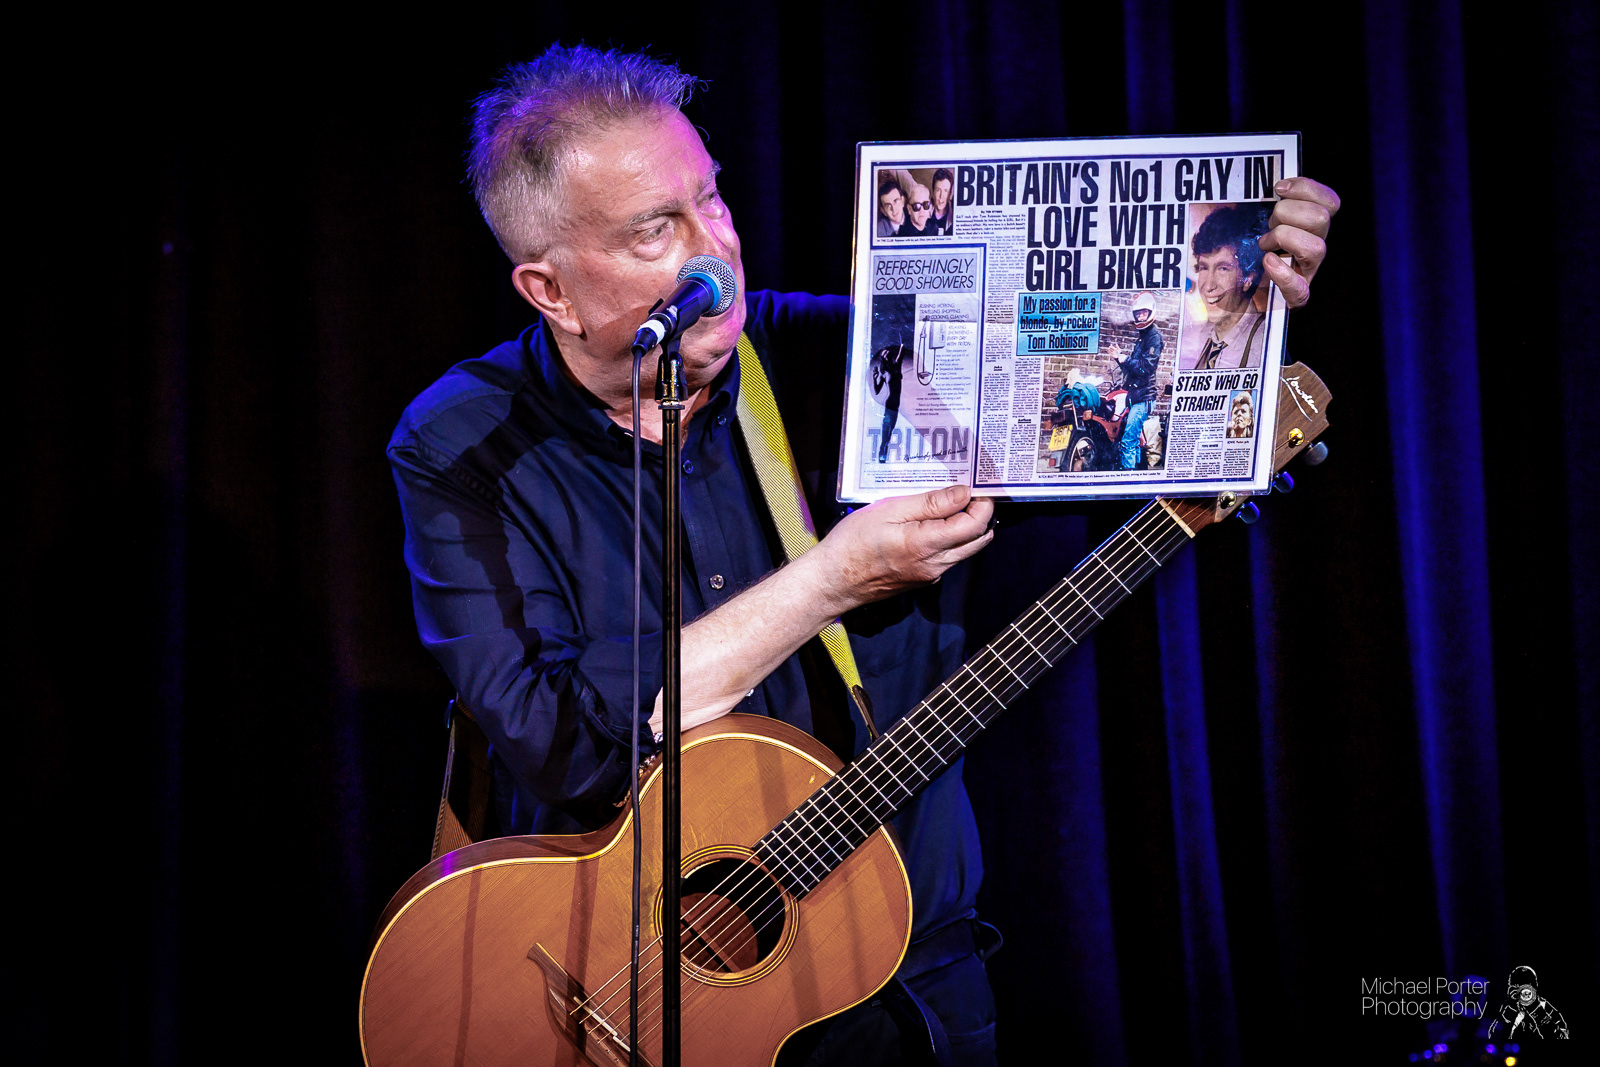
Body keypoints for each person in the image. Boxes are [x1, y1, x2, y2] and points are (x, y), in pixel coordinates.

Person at [388, 43, 1337, 1067]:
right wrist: (830, 579)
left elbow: (1126, 407)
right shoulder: (462, 442)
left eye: (712, 200)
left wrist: (1237, 299)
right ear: (551, 290)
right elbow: (558, 737)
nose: (716, 251)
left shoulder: (843, 359)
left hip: (910, 985)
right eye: (657, 230)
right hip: (617, 991)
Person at [1179, 203, 1274, 370]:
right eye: (1204, 268)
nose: (1208, 286)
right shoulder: (1194, 340)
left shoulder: (1267, 340)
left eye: (1223, 268)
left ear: (1247, 278)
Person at [1486, 965, 1569, 1040]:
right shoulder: (1509, 1007)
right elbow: (1493, 1037)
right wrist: (1511, 1012)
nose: (1523, 993)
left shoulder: (1546, 1008)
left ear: (1534, 988)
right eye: (1517, 987)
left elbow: (1562, 1037)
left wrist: (1537, 1011)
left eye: (1526, 987)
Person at [929, 168, 955, 235]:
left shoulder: (954, 213)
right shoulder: (924, 212)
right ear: (933, 192)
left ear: (950, 194)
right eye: (938, 190)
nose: (941, 196)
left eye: (946, 191)